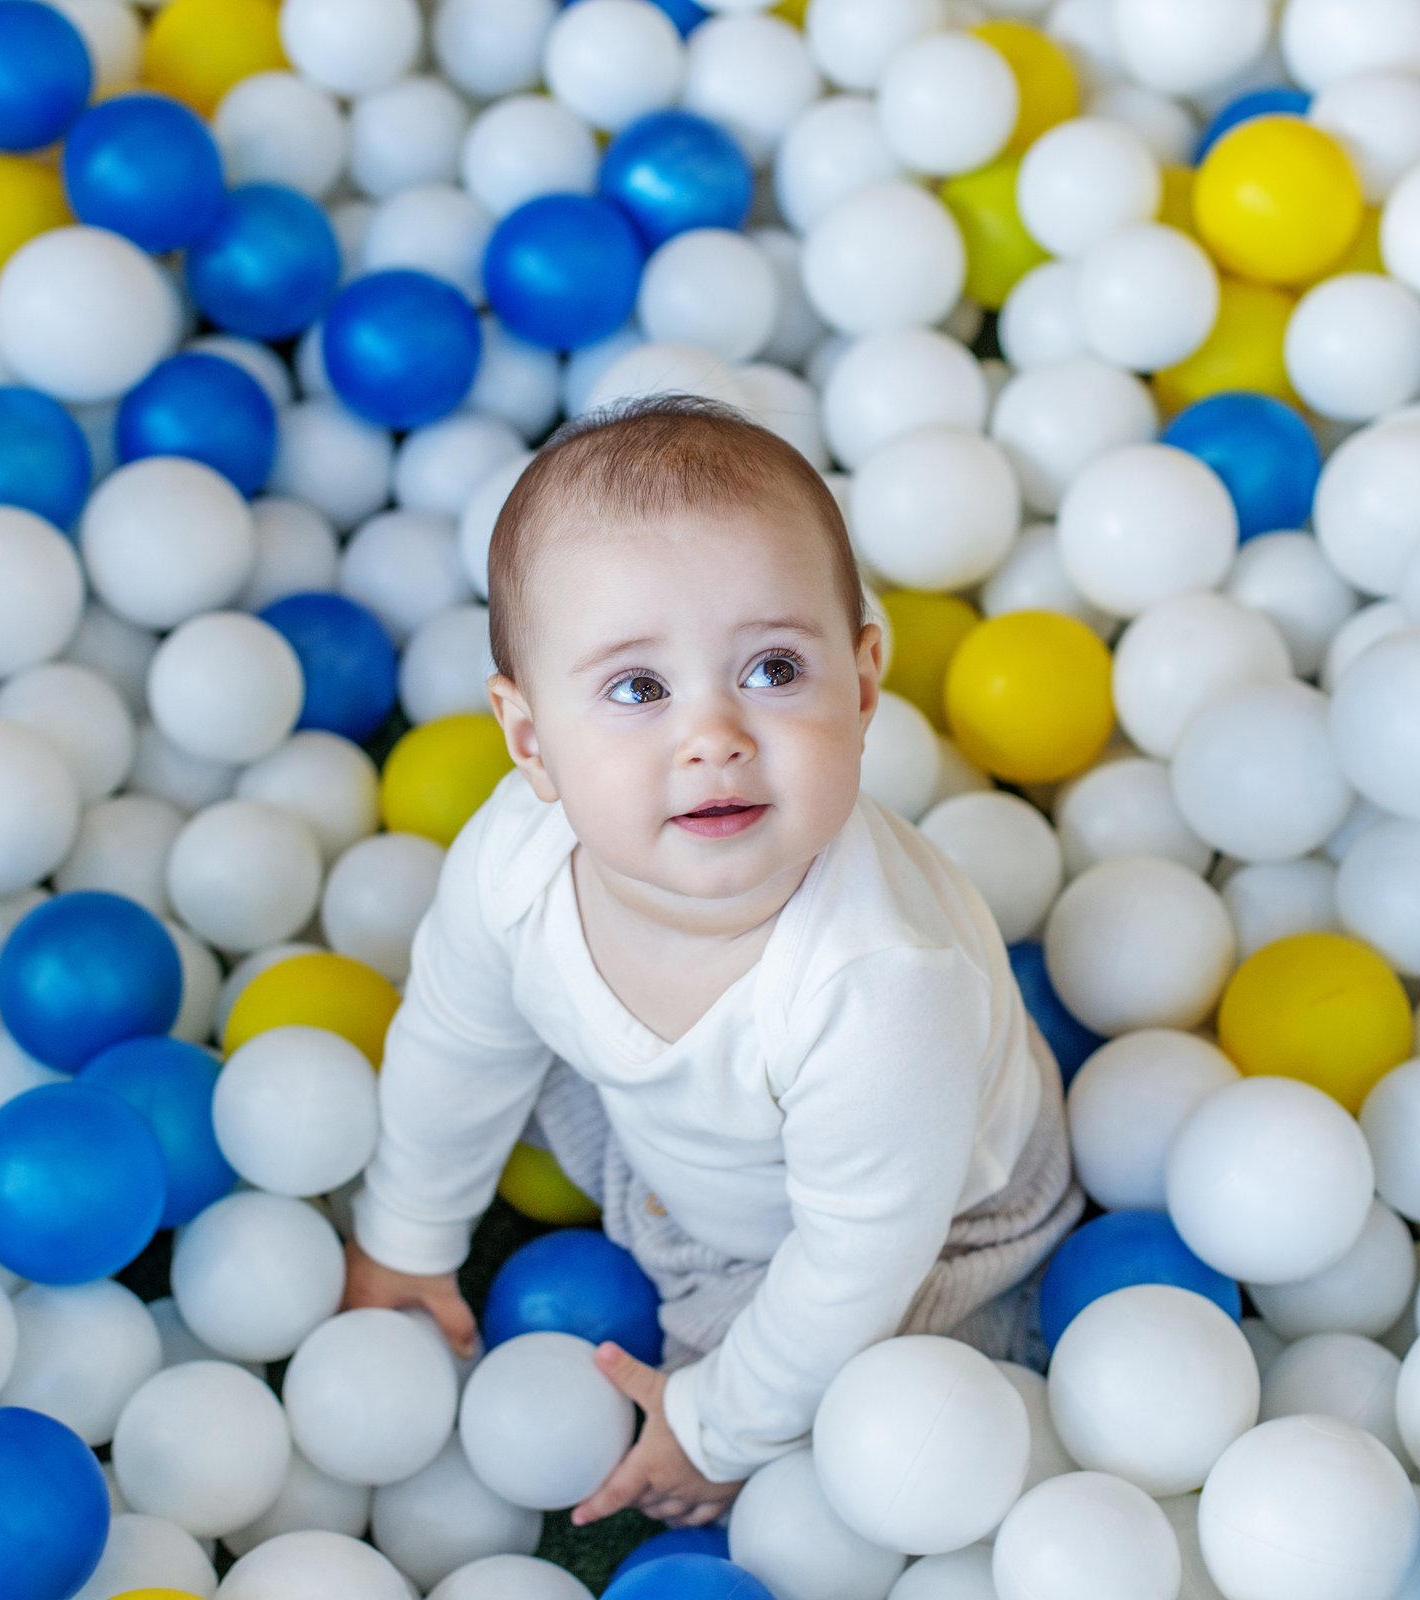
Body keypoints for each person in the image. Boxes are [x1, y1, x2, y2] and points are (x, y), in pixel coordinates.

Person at [341, 392, 1083, 1528]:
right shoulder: (517, 862)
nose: (715, 735)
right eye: (637, 689)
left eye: (776, 669)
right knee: (489, 1043)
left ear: (865, 678)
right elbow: (456, 1036)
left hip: (927, 1219)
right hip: (668, 1131)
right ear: (532, 742)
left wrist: (718, 1421)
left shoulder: (877, 985)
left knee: (861, 1433)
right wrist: (408, 1231)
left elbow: (851, 1265)